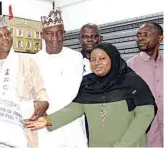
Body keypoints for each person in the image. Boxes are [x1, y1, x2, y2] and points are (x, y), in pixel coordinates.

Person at [26, 42, 156, 147]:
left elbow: (146, 114)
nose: (97, 63)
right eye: (93, 59)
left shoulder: (132, 82)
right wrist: (48, 120)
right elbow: (75, 109)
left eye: (102, 58)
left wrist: (123, 145)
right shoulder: (88, 83)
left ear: (113, 59)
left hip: (129, 145)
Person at [0, 14, 49, 148]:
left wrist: (44, 103)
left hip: (22, 128)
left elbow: (40, 90)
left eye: (7, 34)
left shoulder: (26, 61)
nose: (5, 38)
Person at [35, 8, 87, 148]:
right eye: (50, 34)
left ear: (64, 34)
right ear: (42, 35)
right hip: (44, 125)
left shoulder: (76, 58)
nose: (55, 38)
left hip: (72, 123)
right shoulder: (33, 60)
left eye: (59, 33)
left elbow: (77, 92)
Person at [127, 22, 163, 147]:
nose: (140, 38)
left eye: (145, 35)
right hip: (146, 138)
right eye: (138, 35)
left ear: (160, 38)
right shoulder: (129, 67)